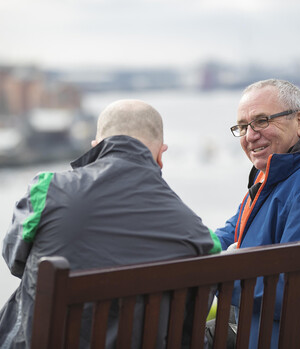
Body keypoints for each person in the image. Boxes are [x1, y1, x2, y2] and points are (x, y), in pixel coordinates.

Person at [0, 99, 222, 349]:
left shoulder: (46, 190)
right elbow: (188, 329)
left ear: (96, 147)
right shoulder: (200, 238)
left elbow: (15, 260)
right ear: (161, 154)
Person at [211, 79, 300, 348]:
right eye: (242, 126)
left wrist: (223, 275)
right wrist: (183, 243)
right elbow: (231, 234)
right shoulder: (279, 172)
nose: (250, 135)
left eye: (262, 121)